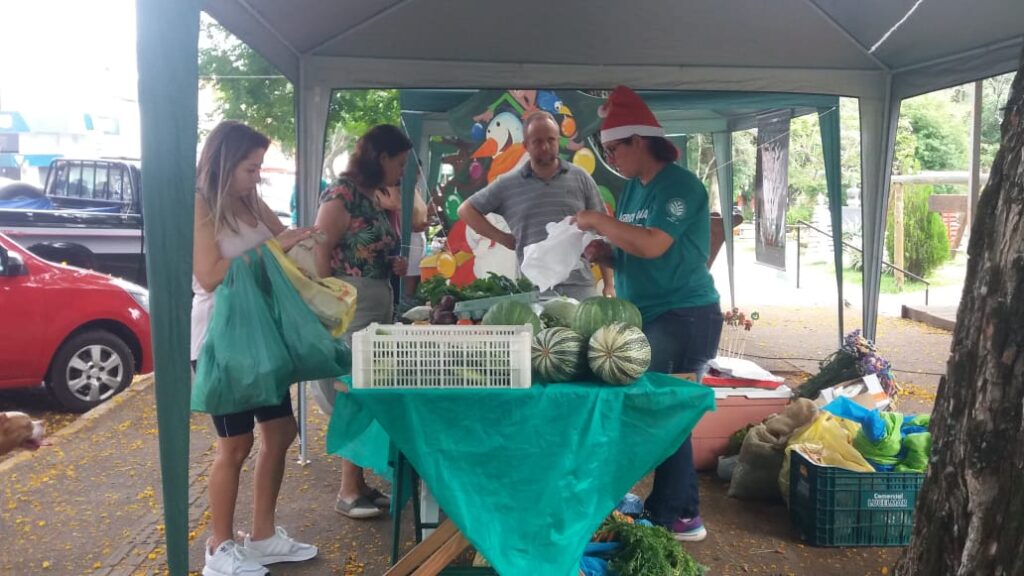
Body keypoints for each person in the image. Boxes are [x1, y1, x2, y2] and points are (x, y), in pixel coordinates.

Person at [575, 86, 723, 542]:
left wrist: (599, 221)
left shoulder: (679, 185)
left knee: (654, 406)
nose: (609, 157)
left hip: (685, 315)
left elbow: (655, 243)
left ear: (639, 140)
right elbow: (639, 252)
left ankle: (673, 511)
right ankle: (678, 511)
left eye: (613, 148)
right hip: (652, 313)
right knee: (664, 409)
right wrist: (608, 252)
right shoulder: (635, 189)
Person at [192, 120, 319, 576]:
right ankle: (218, 547)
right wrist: (273, 251)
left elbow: (283, 238)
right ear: (225, 163)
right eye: (251, 167)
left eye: (260, 167)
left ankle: (262, 536)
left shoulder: (249, 200)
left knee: (281, 433)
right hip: (222, 338)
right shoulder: (201, 204)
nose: (257, 176)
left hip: (263, 336)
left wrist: (300, 243)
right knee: (235, 444)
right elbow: (209, 274)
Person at [311, 124, 411, 519]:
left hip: (375, 300)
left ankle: (361, 483)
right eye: (400, 163)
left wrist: (395, 263)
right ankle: (347, 490)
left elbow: (370, 248)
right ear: (381, 158)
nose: (402, 171)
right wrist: (331, 303)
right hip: (350, 306)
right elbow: (320, 248)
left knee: (366, 391)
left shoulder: (372, 196)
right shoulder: (342, 194)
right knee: (352, 392)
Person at [457, 110, 613, 300]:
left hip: (580, 289)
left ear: (557, 140)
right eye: (537, 141)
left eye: (551, 140)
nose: (546, 146)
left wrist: (609, 285)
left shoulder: (580, 178)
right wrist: (503, 238)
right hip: (533, 292)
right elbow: (466, 210)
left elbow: (604, 231)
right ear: (525, 145)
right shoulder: (508, 184)